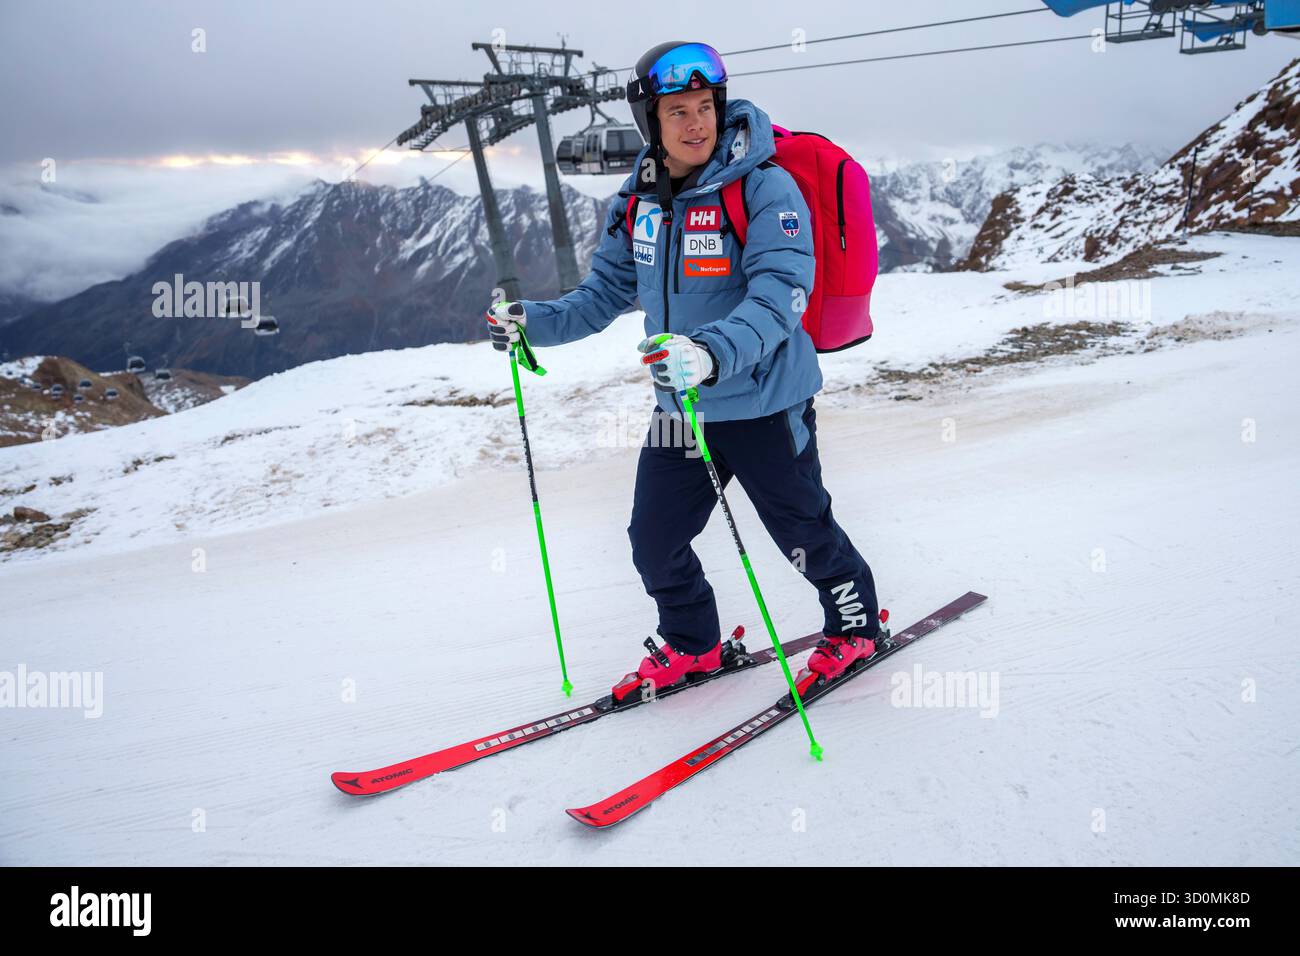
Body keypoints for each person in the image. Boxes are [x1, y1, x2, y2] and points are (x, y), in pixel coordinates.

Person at [485, 40, 879, 701]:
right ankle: (694, 644)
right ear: (652, 122)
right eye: (679, 112)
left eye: (706, 107)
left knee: (802, 532)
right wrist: (535, 323)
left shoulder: (763, 185)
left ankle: (855, 625)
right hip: (683, 411)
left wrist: (710, 353)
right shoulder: (638, 198)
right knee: (653, 539)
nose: (697, 123)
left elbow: (782, 292)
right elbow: (604, 293)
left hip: (761, 403)